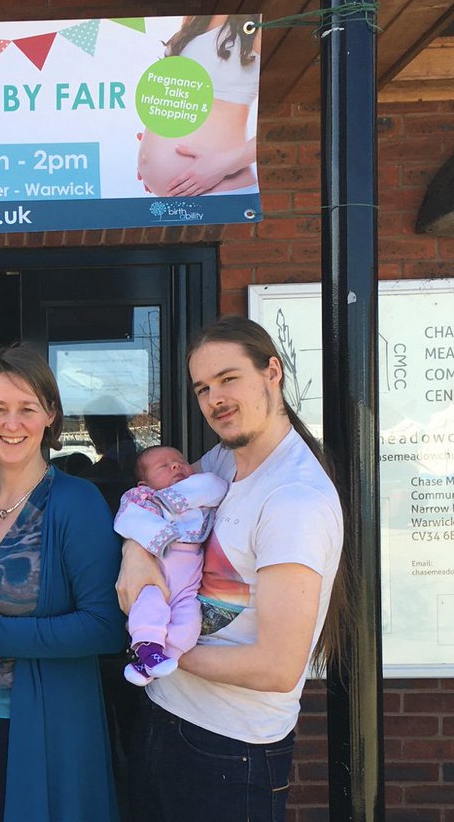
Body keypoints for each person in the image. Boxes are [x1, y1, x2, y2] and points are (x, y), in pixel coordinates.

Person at [115, 316, 347, 821]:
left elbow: (277, 667)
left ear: (272, 372)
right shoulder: (223, 460)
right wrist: (135, 553)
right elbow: (155, 504)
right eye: (203, 387)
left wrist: (161, 651)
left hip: (230, 749)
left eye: (228, 378)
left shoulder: (295, 500)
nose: (214, 398)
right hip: (165, 715)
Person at [0, 344, 128, 822]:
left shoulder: (77, 503)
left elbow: (106, 627)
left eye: (27, 408)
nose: (12, 424)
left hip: (42, 730)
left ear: (50, 415)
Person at [114, 446, 227, 686]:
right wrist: (161, 534)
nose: (175, 465)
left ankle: (160, 660)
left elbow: (216, 486)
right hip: (154, 575)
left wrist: (177, 495)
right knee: (148, 605)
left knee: (191, 621)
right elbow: (126, 519)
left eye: (180, 461)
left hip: (188, 587)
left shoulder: (199, 492)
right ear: (144, 483)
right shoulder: (141, 498)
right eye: (163, 466)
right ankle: (148, 648)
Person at [136, 15, 261, 197]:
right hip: (177, 193)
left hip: (221, 189)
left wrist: (223, 166)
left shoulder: (254, 23)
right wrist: (153, 150)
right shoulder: (196, 18)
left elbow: (279, 130)